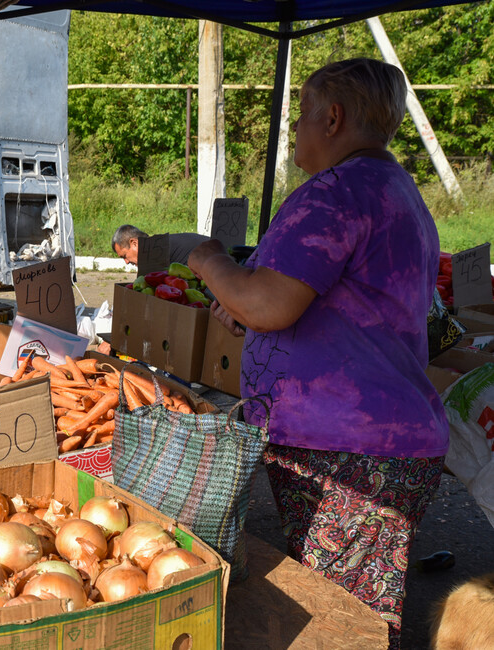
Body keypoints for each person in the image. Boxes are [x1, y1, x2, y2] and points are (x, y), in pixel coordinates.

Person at [187, 58, 447, 649]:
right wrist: (249, 311)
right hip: (367, 444)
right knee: (346, 604)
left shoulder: (339, 192)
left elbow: (270, 303)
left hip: (353, 453)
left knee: (346, 625)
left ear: (333, 118)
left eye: (303, 115)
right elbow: (321, 305)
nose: (297, 130)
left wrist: (210, 261)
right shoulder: (394, 190)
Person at [111, 224, 208, 266]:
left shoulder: (154, 252)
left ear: (134, 243)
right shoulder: (159, 244)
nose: (126, 262)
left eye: (124, 256)